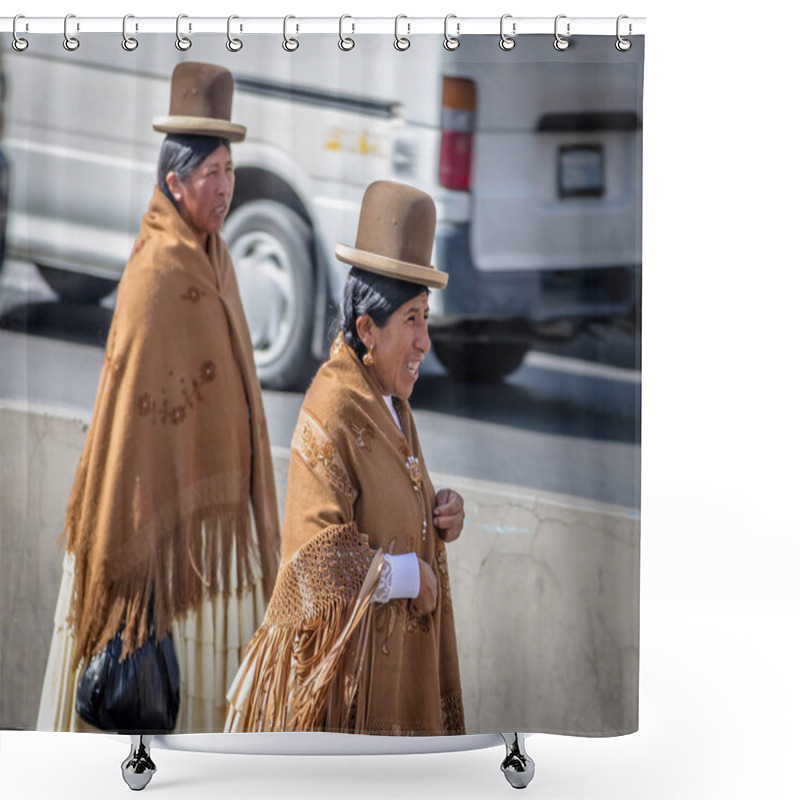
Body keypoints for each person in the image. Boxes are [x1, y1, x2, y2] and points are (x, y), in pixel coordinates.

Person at [37, 63, 281, 734]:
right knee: (149, 708)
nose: (227, 187)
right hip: (154, 558)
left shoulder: (217, 258)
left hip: (206, 545)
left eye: (231, 170)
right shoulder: (157, 271)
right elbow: (135, 436)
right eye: (213, 174)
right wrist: (144, 557)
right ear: (174, 182)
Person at [226, 180, 465, 735]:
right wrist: (410, 575)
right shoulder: (332, 407)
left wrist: (441, 510)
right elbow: (315, 563)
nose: (425, 340)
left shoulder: (392, 404)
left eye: (426, 318)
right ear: (366, 329)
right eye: (411, 320)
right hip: (342, 699)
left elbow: (396, 501)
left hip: (393, 677)